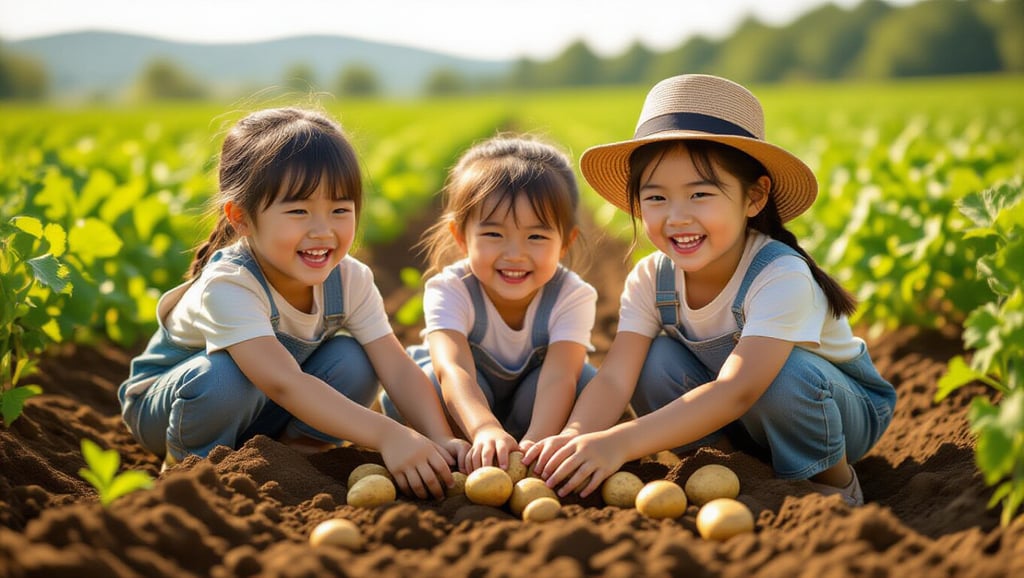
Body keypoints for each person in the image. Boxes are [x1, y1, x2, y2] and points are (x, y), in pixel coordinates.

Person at [523, 74, 897, 506]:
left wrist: (619, 443)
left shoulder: (779, 274)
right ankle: (726, 468)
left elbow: (738, 389)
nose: (677, 217)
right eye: (656, 198)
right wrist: (575, 437)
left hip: (838, 416)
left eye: (700, 194)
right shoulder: (651, 278)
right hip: (743, 412)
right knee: (652, 362)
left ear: (754, 198)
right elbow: (615, 378)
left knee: (785, 375)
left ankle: (833, 486)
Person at [118, 107, 468, 499]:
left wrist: (439, 436)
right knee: (223, 376)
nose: (323, 231)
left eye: (340, 210)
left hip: (266, 402)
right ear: (241, 218)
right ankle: (187, 469)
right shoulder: (230, 285)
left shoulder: (349, 278)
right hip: (173, 409)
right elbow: (284, 383)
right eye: (298, 211)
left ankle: (293, 455)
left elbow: (397, 367)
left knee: (357, 359)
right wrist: (389, 433)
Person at [381, 135, 598, 472]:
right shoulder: (451, 288)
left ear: (565, 242)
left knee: (585, 384)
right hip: (466, 400)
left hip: (535, 401)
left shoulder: (571, 295)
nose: (515, 254)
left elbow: (560, 376)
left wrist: (538, 442)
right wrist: (483, 428)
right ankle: (468, 446)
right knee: (428, 384)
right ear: (460, 236)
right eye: (494, 234)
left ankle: (521, 442)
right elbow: (454, 369)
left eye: (537, 236)